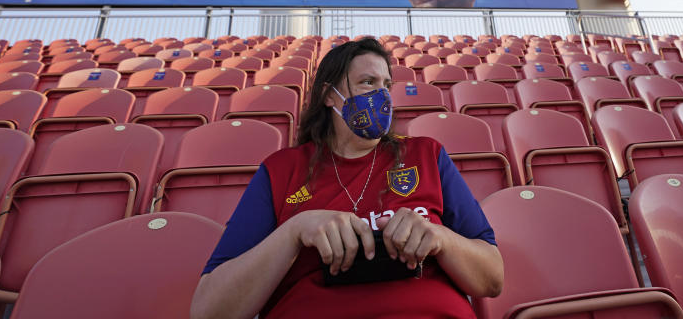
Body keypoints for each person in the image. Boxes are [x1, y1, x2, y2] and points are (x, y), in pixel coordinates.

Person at [190, 37, 503, 319]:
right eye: (367, 82)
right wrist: (294, 232)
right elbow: (210, 310)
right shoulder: (281, 170)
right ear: (329, 95)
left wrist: (440, 239)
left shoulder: (426, 155)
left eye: (386, 85)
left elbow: (492, 280)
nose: (381, 96)